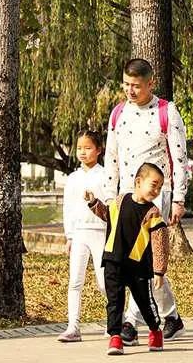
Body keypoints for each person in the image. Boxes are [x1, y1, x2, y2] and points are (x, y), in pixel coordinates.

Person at [104, 57, 188, 343]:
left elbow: (180, 158)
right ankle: (172, 317)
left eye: (136, 86)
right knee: (137, 260)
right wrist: (109, 196)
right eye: (126, 85)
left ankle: (129, 322)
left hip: (156, 196)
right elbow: (111, 157)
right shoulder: (118, 113)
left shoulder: (168, 112)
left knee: (141, 258)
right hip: (126, 196)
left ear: (150, 83)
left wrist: (178, 198)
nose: (130, 90)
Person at [86, 161, 168, 356]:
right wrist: (93, 203)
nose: (156, 190)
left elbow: (160, 244)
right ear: (138, 182)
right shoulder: (120, 201)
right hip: (113, 259)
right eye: (153, 184)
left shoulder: (153, 213)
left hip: (138, 266)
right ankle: (115, 337)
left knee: (144, 302)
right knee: (114, 300)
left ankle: (155, 330)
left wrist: (159, 271)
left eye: (160, 187)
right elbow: (107, 215)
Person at [59, 128, 110, 343]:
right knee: (75, 282)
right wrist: (69, 235)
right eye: (79, 148)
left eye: (88, 148)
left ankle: (113, 322)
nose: (83, 152)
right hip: (79, 234)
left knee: (104, 282)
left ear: (99, 150)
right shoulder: (72, 178)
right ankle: (73, 326)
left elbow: (110, 206)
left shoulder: (106, 175)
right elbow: (68, 207)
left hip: (100, 233)